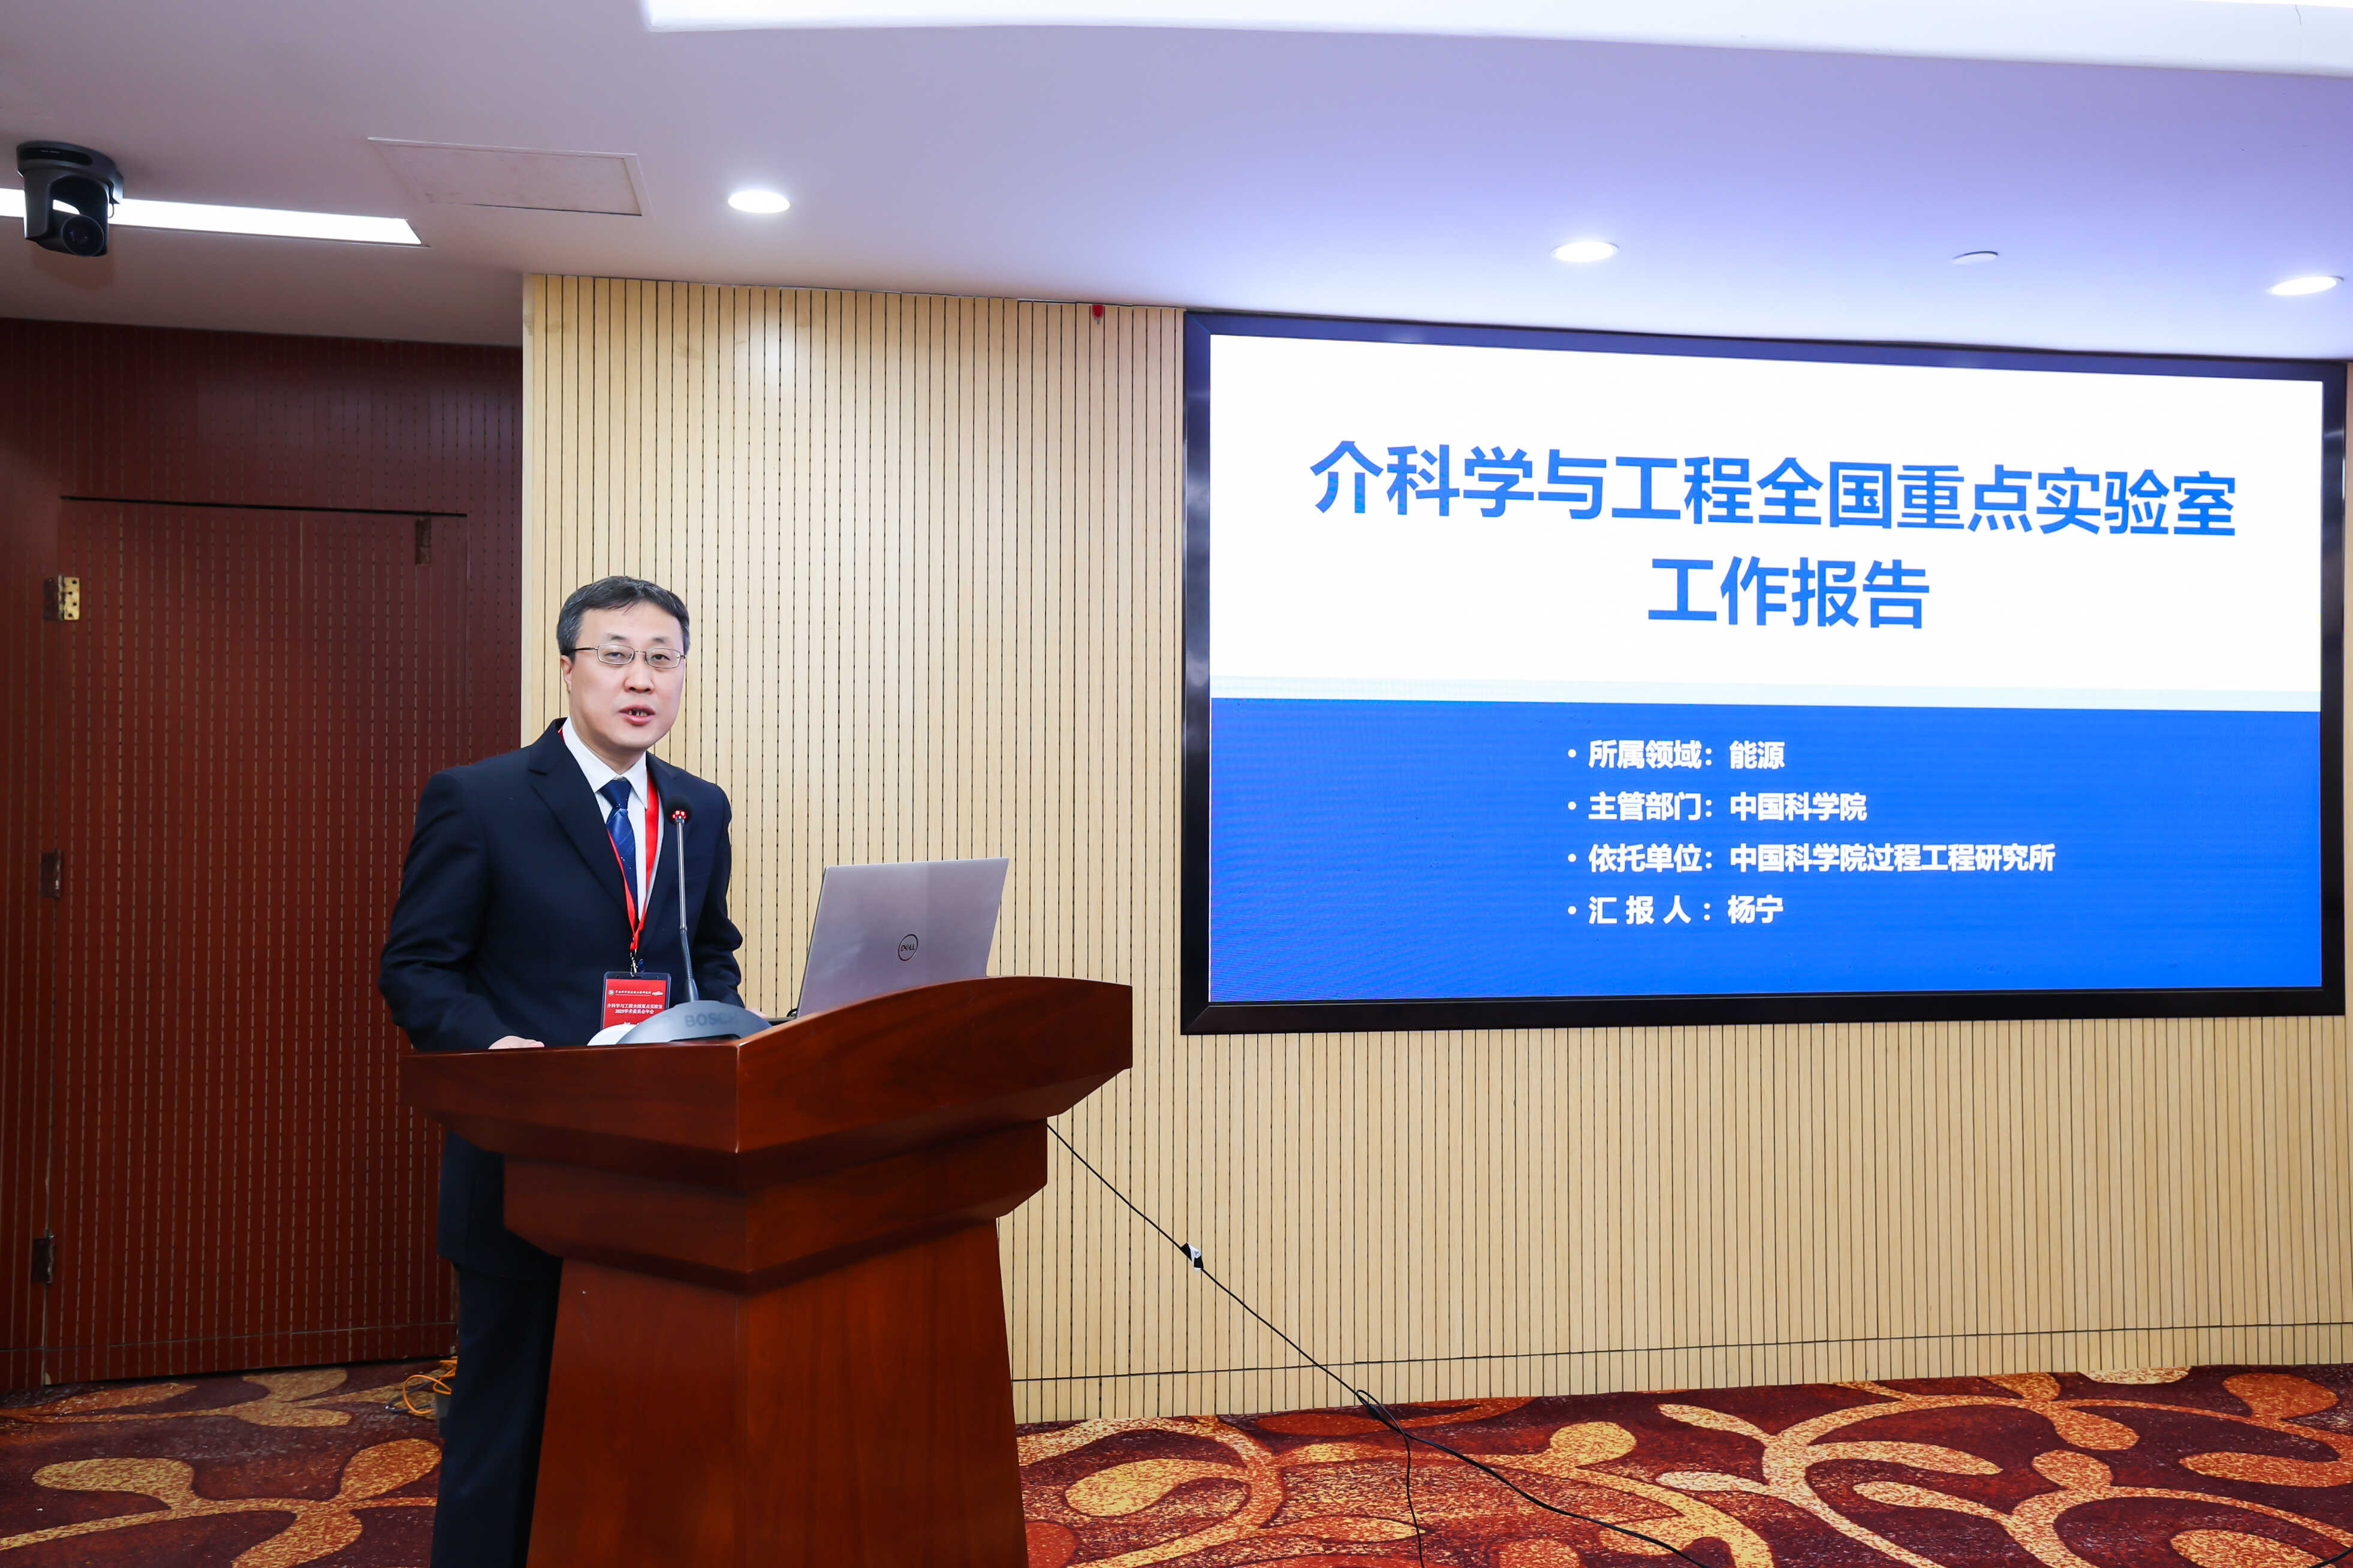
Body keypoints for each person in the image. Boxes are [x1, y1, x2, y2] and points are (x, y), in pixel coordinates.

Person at [379, 575, 746, 1568]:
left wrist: (717, 1021)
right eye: (615, 657)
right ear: (568, 669)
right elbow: (417, 967)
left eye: (662, 659)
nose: (641, 679)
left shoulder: (697, 809)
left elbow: (707, 952)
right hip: (528, 1162)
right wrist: (498, 1054)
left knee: (649, 1414)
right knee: (509, 1424)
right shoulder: (482, 798)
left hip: (663, 1166)